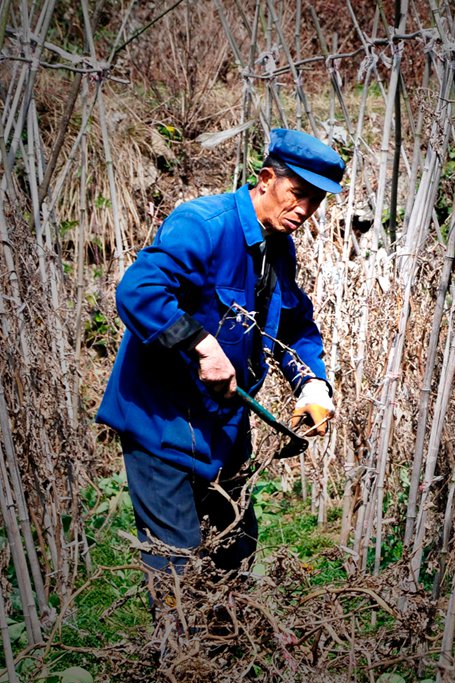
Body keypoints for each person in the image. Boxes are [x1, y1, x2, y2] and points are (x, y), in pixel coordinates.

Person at [96, 128, 343, 584]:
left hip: (224, 429)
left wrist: (312, 383)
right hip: (162, 426)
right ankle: (178, 653)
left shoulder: (278, 248)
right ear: (266, 178)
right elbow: (139, 290)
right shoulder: (204, 224)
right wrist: (202, 345)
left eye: (316, 202)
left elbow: (294, 324)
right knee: (178, 571)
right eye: (298, 194)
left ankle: (224, 652)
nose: (305, 210)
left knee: (235, 555)